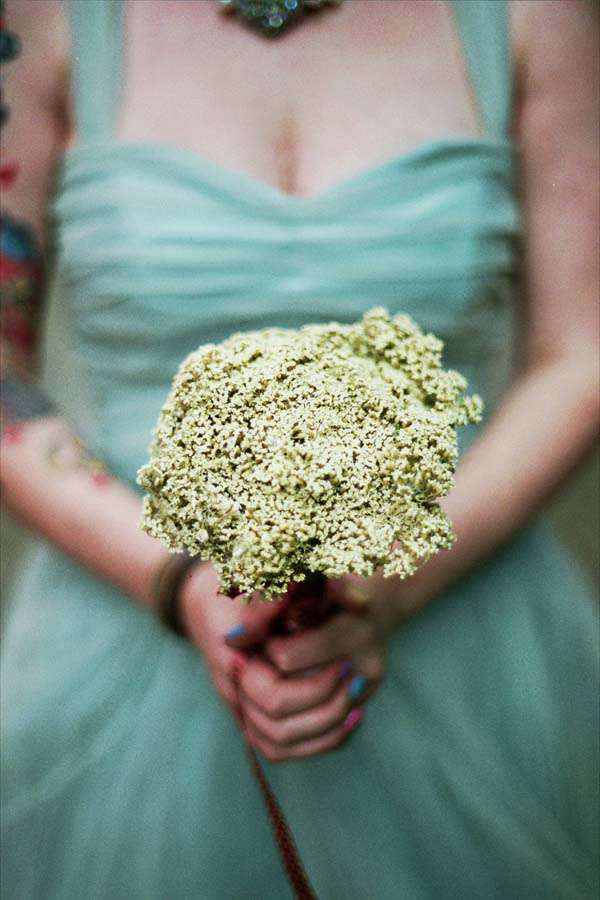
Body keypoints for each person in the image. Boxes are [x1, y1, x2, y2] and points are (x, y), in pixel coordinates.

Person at [1, 1, 598, 897]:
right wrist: (181, 580)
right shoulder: (39, 18)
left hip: (463, 610)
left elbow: (582, 351)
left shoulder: (536, 15)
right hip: (121, 623)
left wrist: (392, 576)